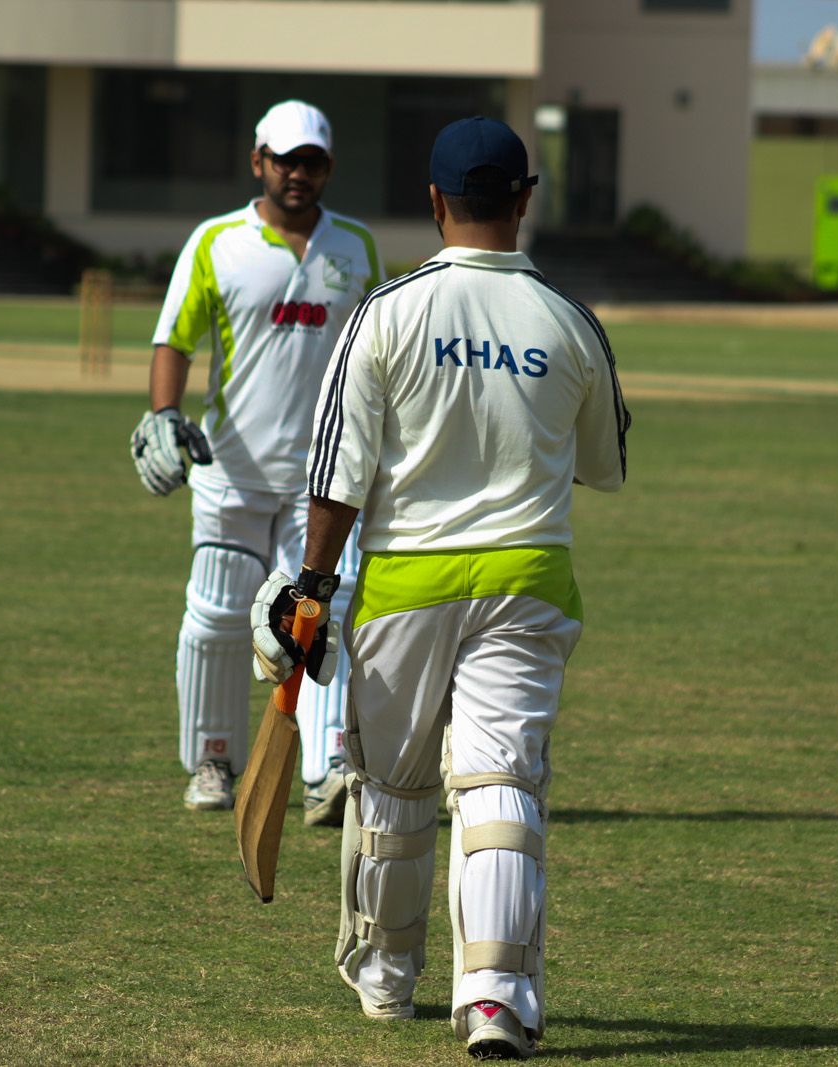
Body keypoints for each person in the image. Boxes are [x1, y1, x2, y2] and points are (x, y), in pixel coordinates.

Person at [251, 116, 629, 1060]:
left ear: (433, 201)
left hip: (406, 583)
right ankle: (497, 999)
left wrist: (310, 588)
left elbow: (337, 475)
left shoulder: (387, 311)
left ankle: (386, 976)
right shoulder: (571, 320)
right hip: (528, 577)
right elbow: (605, 464)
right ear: (525, 199)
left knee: (394, 787)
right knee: (501, 780)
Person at [132, 100, 381, 818]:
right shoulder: (217, 242)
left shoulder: (356, 247)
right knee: (214, 617)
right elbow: (174, 339)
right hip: (232, 469)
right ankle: (214, 760)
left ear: (328, 168)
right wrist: (164, 414)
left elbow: (378, 351)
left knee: (321, 619)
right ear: (257, 162)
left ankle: (328, 766)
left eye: (311, 162)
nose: (297, 173)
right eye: (284, 160)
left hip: (326, 477)